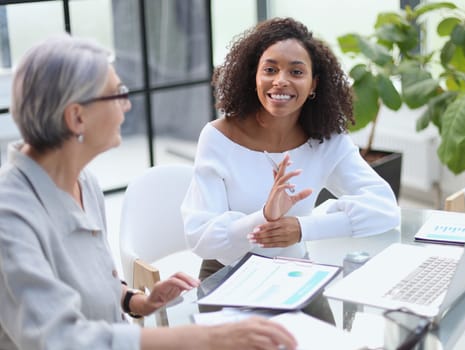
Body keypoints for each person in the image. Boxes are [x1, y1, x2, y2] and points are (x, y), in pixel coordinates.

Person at [0, 34, 297, 350]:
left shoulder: (82, 182)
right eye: (116, 94)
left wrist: (135, 300)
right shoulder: (10, 218)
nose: (126, 104)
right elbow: (61, 340)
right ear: (77, 117)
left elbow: (85, 279)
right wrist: (205, 338)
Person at [181, 17, 401, 323]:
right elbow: (202, 237)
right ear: (253, 77)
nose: (281, 80)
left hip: (296, 272)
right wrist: (265, 219)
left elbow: (385, 208)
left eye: (296, 72)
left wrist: (302, 228)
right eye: (270, 69)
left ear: (313, 84)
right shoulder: (219, 137)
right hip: (229, 275)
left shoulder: (327, 139)